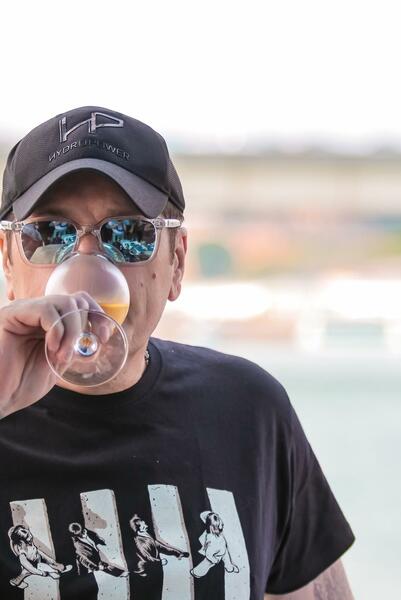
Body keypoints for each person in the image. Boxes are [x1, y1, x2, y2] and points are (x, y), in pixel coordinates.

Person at [0, 106, 355, 600]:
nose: (86, 263)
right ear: (8, 261)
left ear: (177, 263)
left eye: (129, 234)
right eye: (49, 234)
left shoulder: (246, 409)